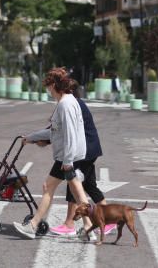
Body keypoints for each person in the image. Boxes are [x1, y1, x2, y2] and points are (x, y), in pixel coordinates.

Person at [14, 67, 90, 239]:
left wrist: (68, 161)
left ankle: (33, 225)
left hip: (67, 157)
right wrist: (31, 137)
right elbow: (55, 132)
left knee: (50, 188)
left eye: (48, 87)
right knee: (78, 194)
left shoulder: (66, 104)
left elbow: (70, 134)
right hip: (68, 156)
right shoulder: (66, 102)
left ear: (55, 85)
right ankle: (89, 227)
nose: (48, 91)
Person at [49, 82, 117, 238]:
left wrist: (45, 139)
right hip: (90, 148)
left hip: (83, 150)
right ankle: (110, 220)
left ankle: (69, 224)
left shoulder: (71, 104)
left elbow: (62, 130)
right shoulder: (76, 103)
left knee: (73, 183)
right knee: (89, 185)